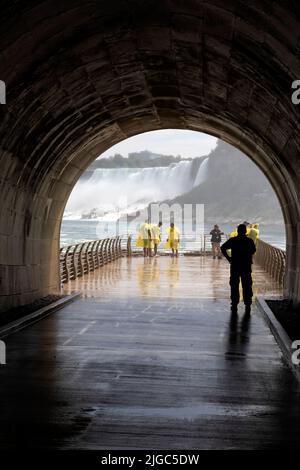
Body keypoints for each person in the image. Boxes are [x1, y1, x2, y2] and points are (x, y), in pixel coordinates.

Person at [221, 224, 256, 315]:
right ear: (245, 231)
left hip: (235, 265)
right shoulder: (249, 241)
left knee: (234, 284)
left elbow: (222, 248)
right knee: (247, 284)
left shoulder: (233, 240)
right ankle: (247, 304)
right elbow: (253, 250)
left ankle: (234, 303)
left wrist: (229, 259)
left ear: (238, 231)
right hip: (246, 266)